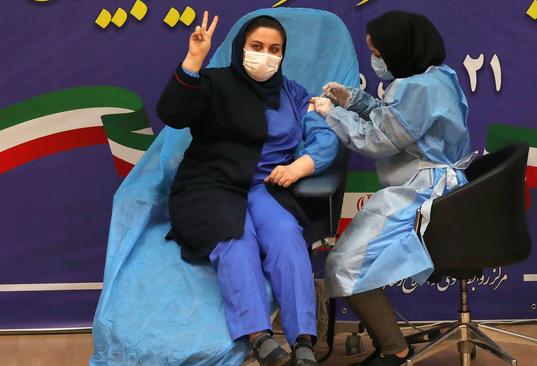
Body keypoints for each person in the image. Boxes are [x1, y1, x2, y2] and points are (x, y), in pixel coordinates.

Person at [156, 11, 339, 366]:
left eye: (275, 49)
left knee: (287, 236)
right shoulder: (214, 83)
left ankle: (303, 339)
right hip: (210, 183)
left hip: (264, 186)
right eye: (257, 46)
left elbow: (323, 136)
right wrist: (194, 59)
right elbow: (173, 112)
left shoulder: (293, 93)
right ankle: (259, 335)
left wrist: (301, 164)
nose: (266, 55)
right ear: (241, 47)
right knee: (235, 239)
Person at [311, 10, 475, 366]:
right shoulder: (438, 78)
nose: (376, 60)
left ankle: (395, 349)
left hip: (420, 193)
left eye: (379, 53)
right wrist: (353, 100)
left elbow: (378, 139)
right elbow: (399, 119)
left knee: (342, 265)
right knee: (349, 262)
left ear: (400, 48)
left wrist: (330, 113)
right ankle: (389, 341)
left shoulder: (414, 88)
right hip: (438, 187)